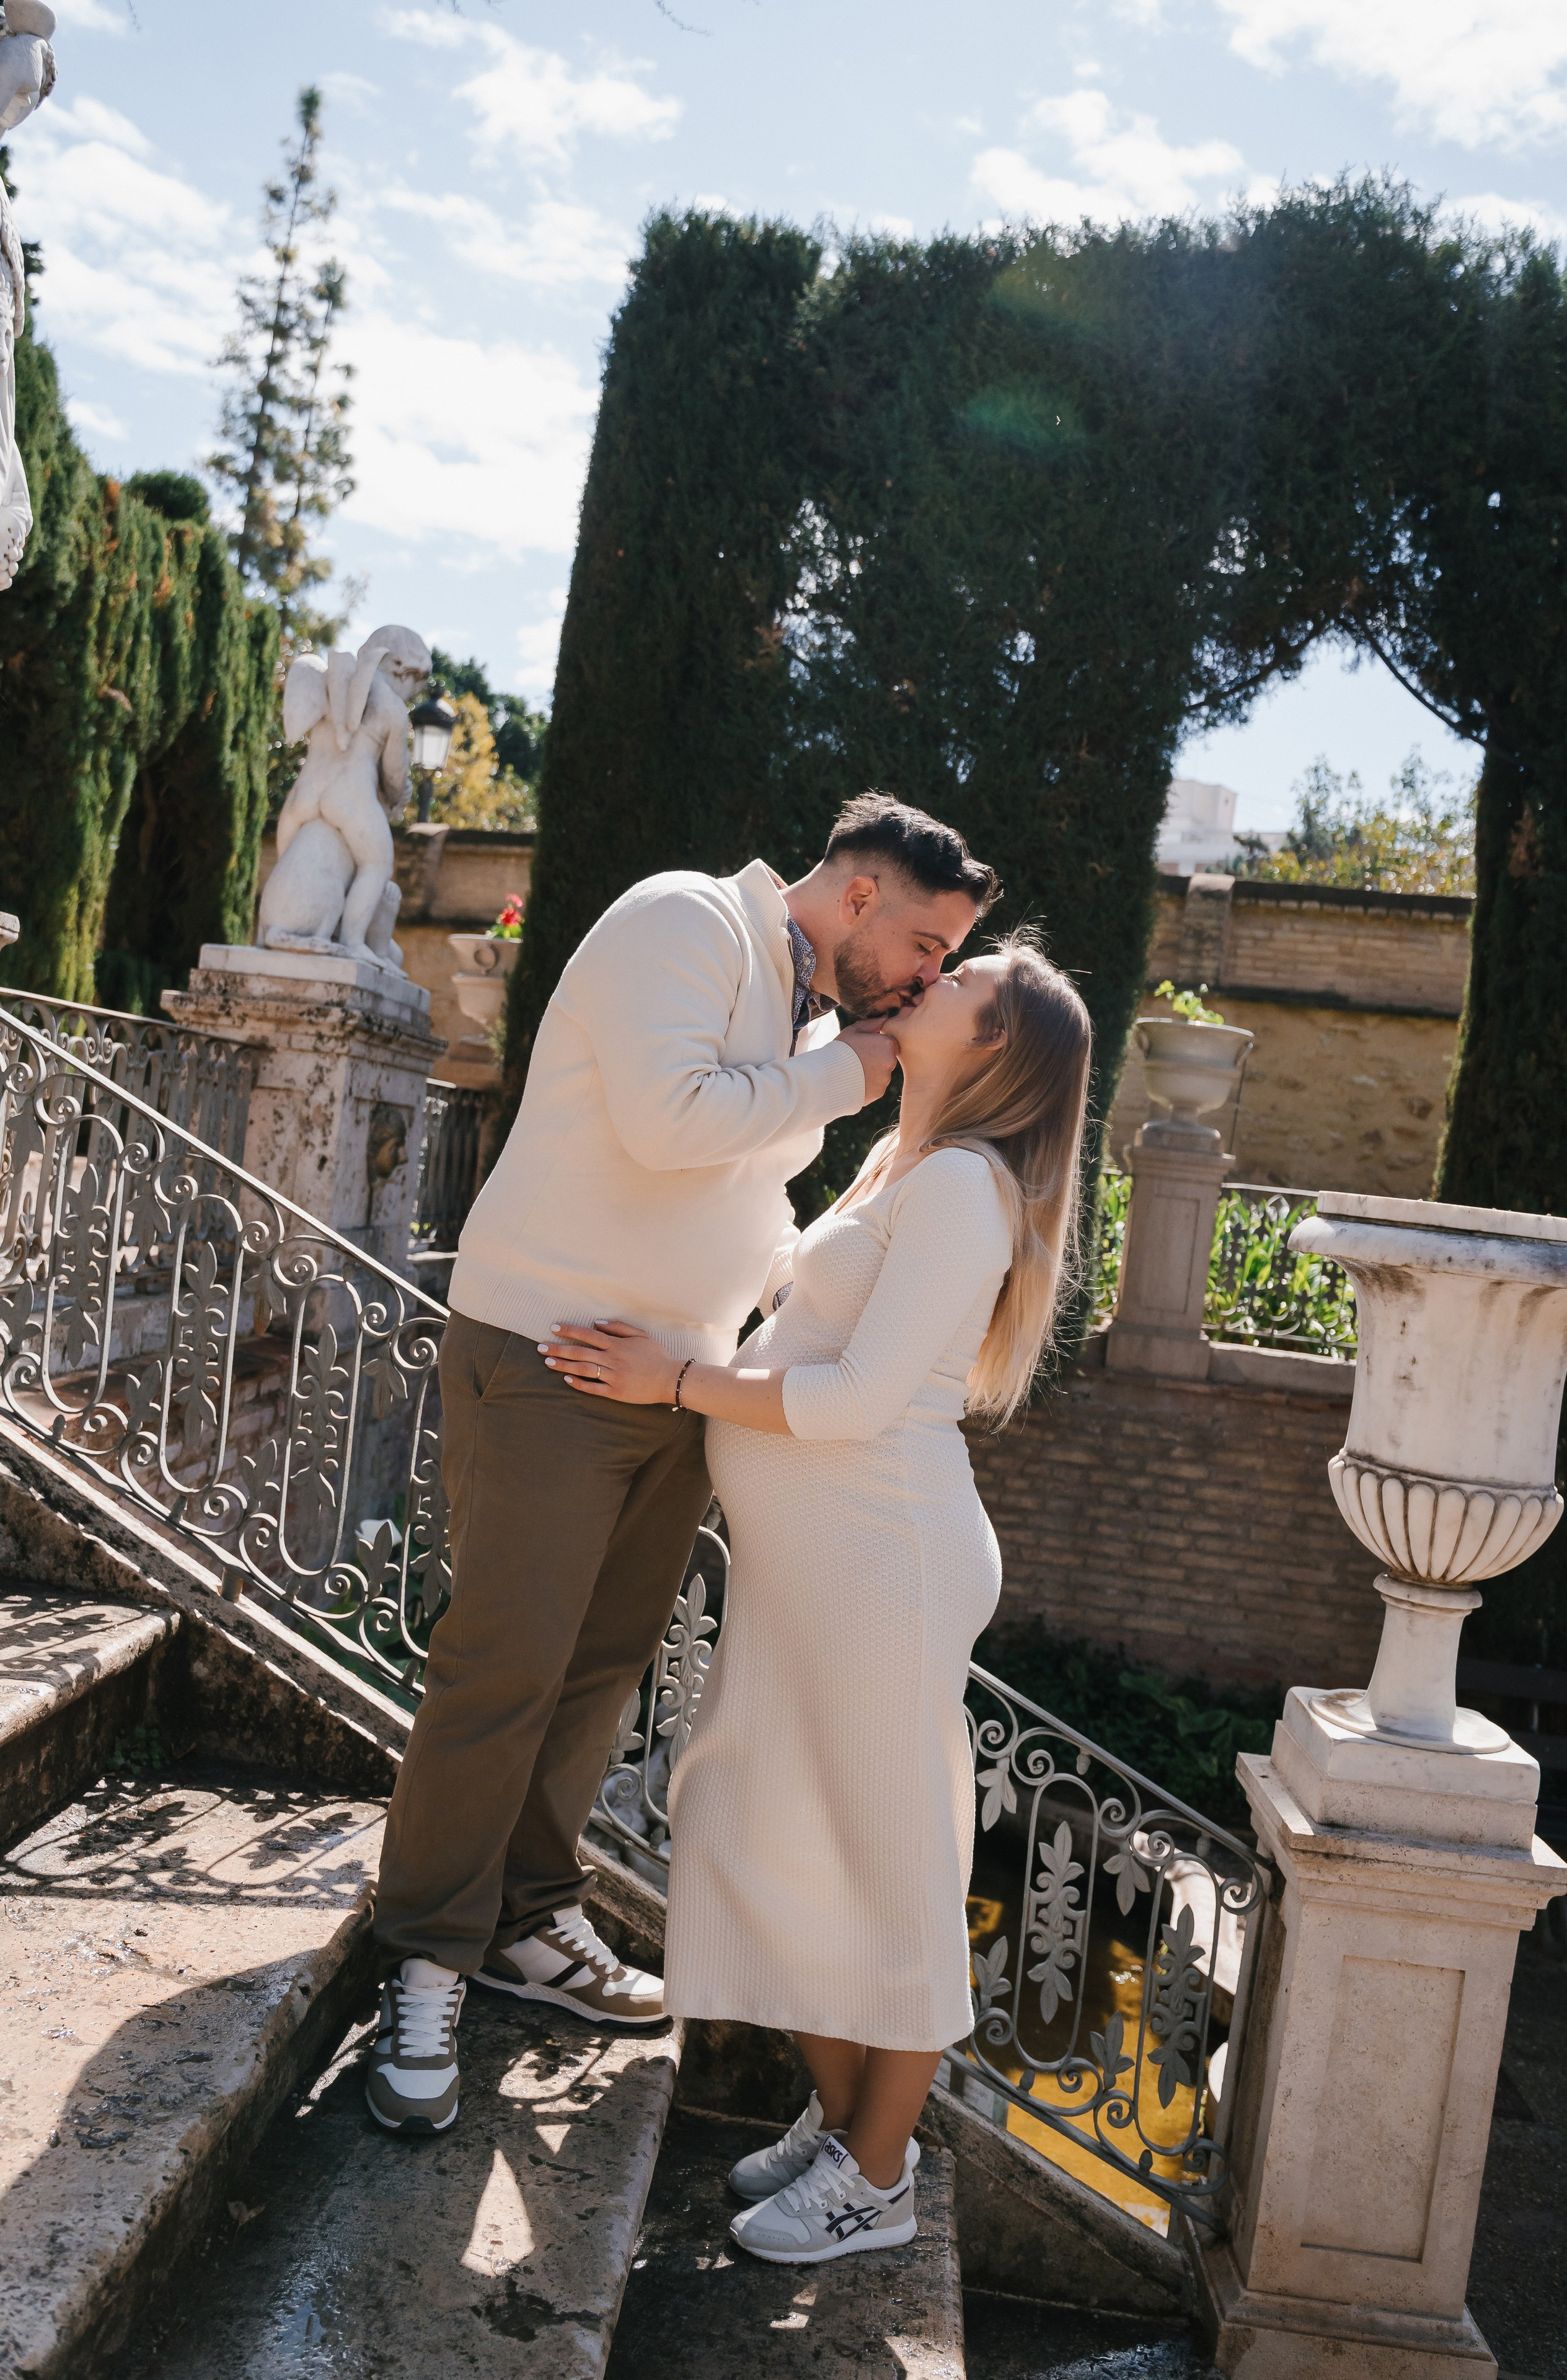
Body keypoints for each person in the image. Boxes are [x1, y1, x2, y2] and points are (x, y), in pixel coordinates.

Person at [366, 793, 999, 2135]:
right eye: (929, 945)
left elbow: (730, 1182)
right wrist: (850, 1077)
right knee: (505, 1659)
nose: (927, 979)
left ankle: (530, 1921)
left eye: (944, 965)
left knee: (597, 1669)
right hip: (548, 1356)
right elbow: (667, 1122)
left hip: (670, 1380)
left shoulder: (801, 1011)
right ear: (863, 898)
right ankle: (424, 1959)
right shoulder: (685, 918)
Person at [542, 928, 1092, 2263]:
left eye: (959, 983)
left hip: (882, 1561)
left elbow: (849, 1403)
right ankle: (843, 2128)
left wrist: (671, 1384)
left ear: (996, 1045)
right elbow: (789, 1327)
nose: (930, 978)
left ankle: (880, 2176)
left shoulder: (962, 1188)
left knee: (888, 1863)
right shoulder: (903, 1163)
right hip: (815, 1567)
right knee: (742, 1814)